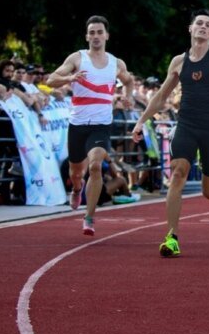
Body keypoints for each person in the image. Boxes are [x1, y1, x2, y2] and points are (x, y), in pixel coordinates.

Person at [131, 9, 209, 257]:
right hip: (186, 124)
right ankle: (171, 237)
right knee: (178, 173)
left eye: (208, 25)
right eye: (199, 23)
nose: (203, 27)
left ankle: (203, 160)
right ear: (190, 28)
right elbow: (162, 96)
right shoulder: (178, 62)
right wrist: (141, 121)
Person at [45, 16, 139, 236]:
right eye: (92, 33)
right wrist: (71, 77)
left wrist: (128, 97)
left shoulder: (116, 63)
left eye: (100, 32)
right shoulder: (77, 58)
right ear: (87, 36)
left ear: (106, 35)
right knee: (76, 173)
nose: (96, 36)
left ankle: (89, 218)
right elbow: (50, 80)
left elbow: (129, 81)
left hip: (101, 124)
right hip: (77, 124)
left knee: (96, 166)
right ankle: (77, 189)